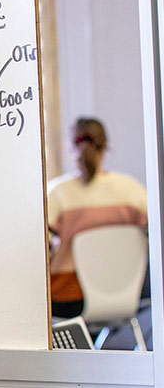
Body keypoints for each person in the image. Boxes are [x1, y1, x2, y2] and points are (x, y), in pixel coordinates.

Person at [48, 117, 148, 318]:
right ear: (105, 147)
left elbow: (44, 249)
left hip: (69, 298)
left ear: (71, 147)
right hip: (127, 293)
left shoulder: (57, 193)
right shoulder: (133, 190)